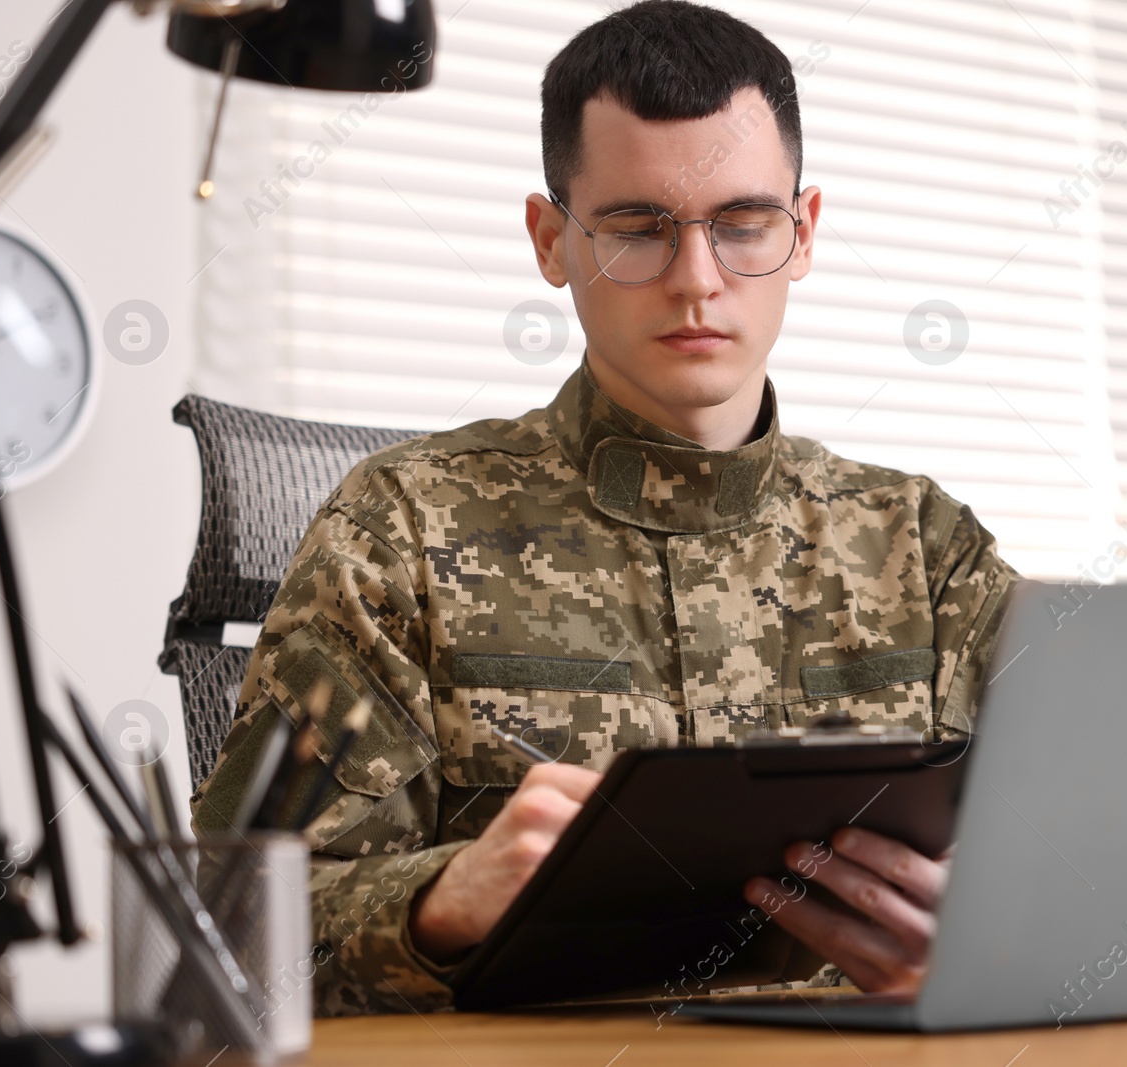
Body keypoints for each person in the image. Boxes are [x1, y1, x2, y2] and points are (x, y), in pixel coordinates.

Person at [190, 0, 1017, 1016]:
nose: (697, 281)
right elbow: (221, 929)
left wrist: (980, 935)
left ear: (802, 235)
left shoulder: (927, 549)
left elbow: (1125, 865)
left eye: (743, 225)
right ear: (550, 239)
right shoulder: (398, 527)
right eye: (638, 230)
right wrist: (438, 901)